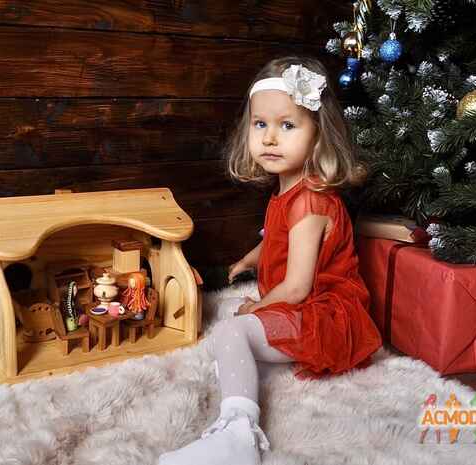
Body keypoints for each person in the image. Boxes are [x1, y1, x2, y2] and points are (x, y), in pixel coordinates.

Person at [158, 56, 383, 465]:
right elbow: (279, 237)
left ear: (318, 135)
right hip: (305, 305)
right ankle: (245, 375)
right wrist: (251, 258)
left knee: (231, 330)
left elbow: (296, 287)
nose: (270, 138)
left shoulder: (310, 202)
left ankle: (238, 432)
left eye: (288, 125)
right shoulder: (288, 191)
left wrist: (259, 306)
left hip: (324, 316)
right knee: (233, 316)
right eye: (260, 124)